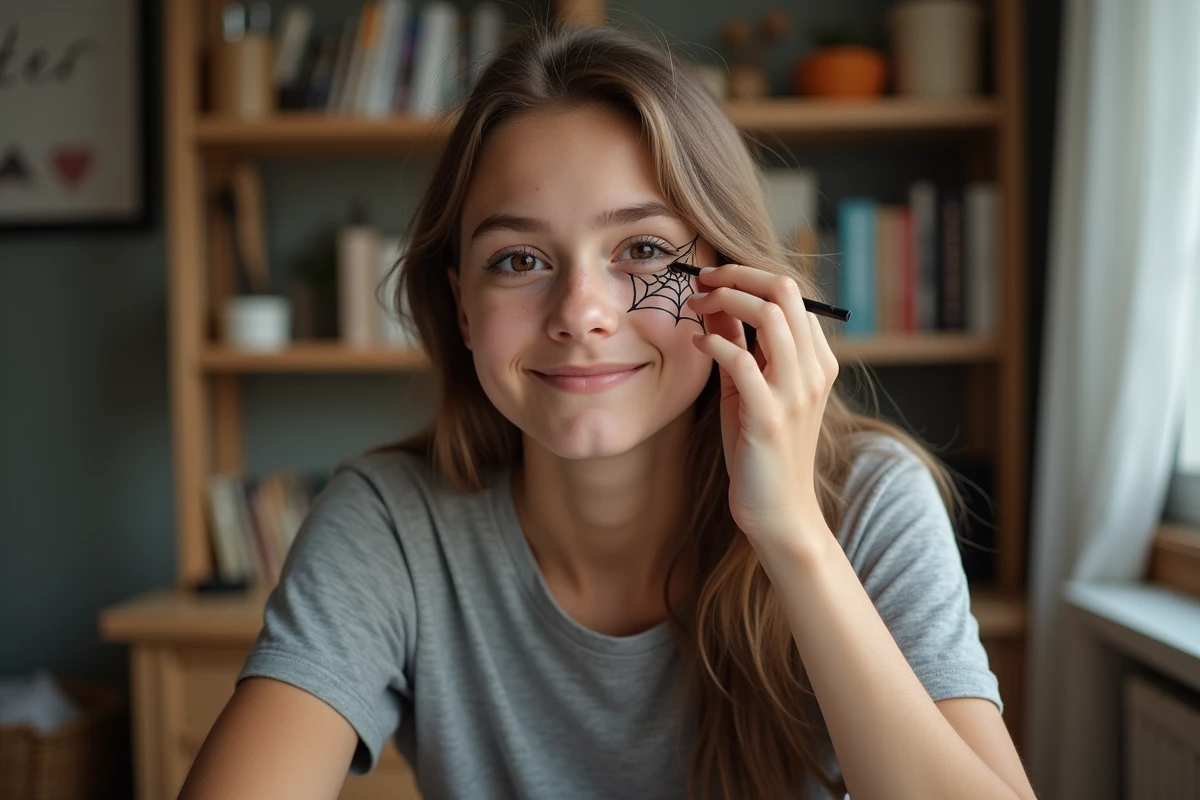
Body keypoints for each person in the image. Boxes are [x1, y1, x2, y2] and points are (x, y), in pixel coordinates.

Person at [179, 22, 1037, 800]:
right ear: (464, 308)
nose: (581, 311)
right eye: (518, 258)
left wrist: (793, 536)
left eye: (643, 250)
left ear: (732, 283)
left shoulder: (871, 504)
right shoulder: (389, 525)